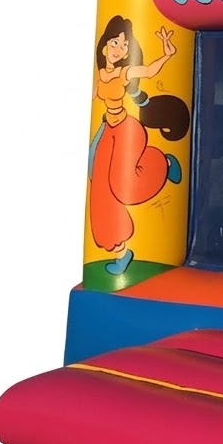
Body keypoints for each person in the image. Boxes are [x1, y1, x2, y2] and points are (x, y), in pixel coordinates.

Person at [89, 15, 189, 274]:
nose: (119, 49)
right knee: (101, 189)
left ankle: (163, 164)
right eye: (115, 42)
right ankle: (121, 251)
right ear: (104, 47)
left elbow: (148, 71)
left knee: (123, 186)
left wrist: (167, 55)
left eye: (124, 45)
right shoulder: (99, 75)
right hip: (109, 129)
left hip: (127, 129)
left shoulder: (124, 72)